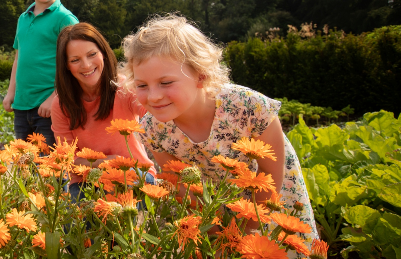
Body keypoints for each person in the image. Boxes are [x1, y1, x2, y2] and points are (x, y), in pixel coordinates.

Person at [120, 14, 319, 256]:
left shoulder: (248, 107)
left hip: (269, 203)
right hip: (210, 212)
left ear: (201, 76)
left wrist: (245, 229)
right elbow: (181, 185)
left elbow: (270, 176)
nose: (153, 96)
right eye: (142, 86)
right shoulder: (153, 129)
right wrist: (215, 229)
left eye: (165, 82)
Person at [50, 23, 155, 200]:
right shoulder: (61, 105)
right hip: (86, 181)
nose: (86, 65)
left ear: (104, 54)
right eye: (75, 60)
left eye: (92, 55)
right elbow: (67, 160)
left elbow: (155, 120)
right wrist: (107, 162)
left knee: (117, 207)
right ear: (66, 65)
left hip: (134, 174)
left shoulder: (125, 88)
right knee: (78, 221)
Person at [3, 0, 78, 148]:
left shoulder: (65, 19)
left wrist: (54, 98)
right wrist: (11, 92)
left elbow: (76, 66)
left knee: (48, 170)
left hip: (49, 108)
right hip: (22, 106)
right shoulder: (23, 18)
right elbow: (19, 59)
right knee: (24, 167)